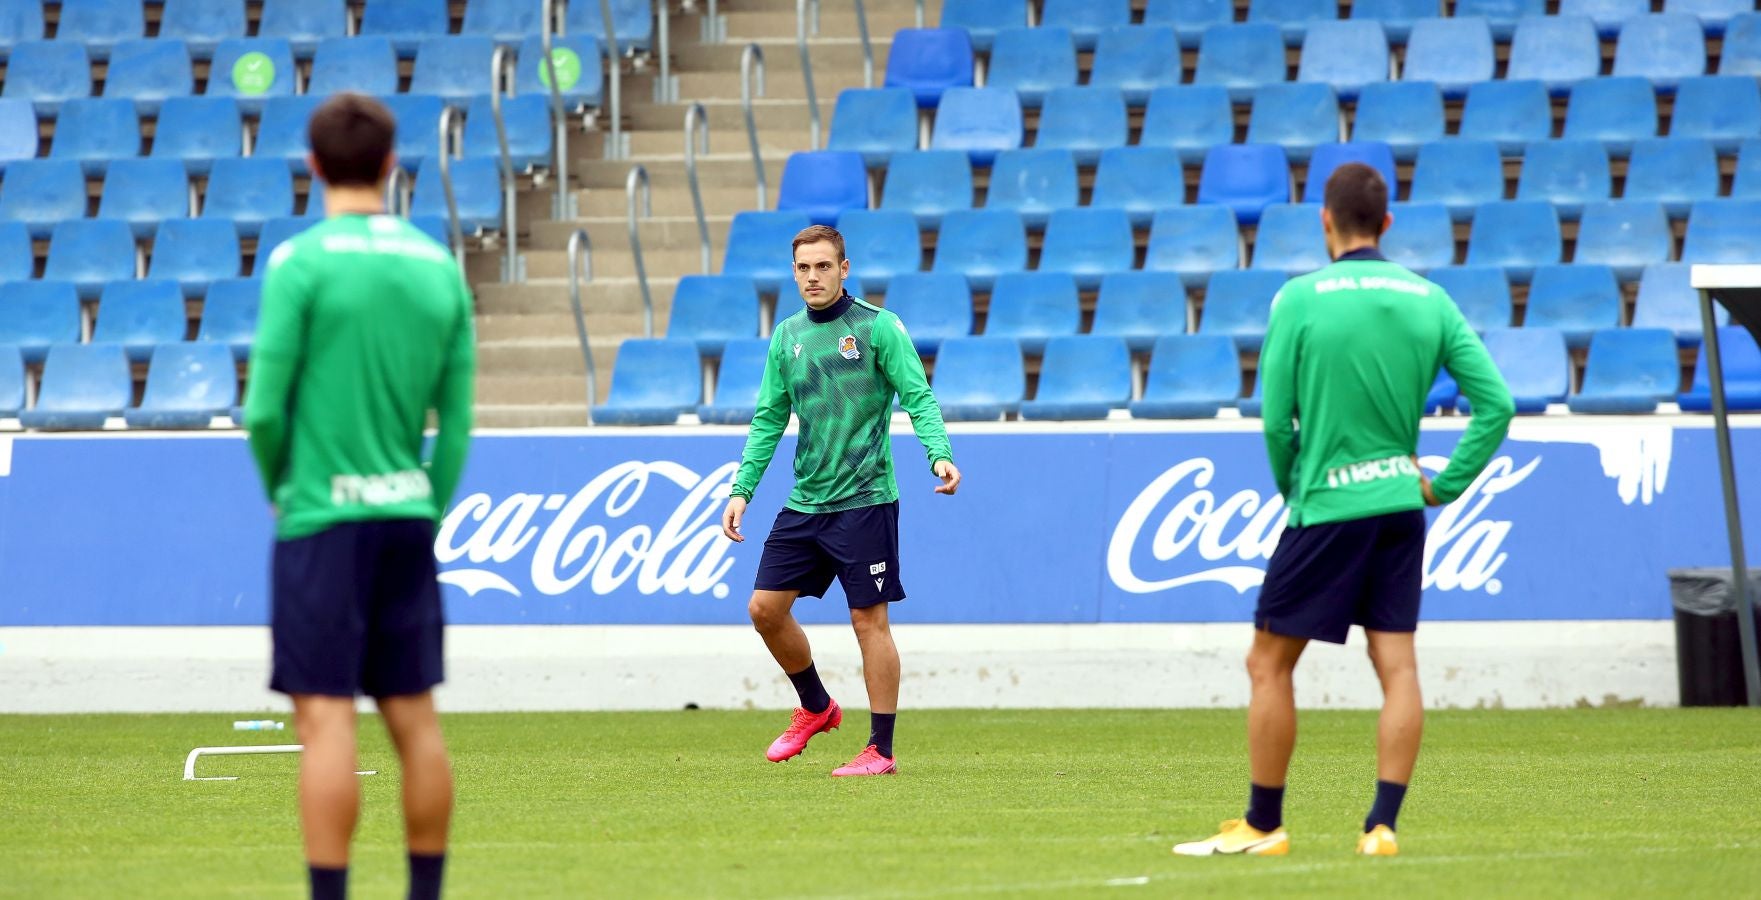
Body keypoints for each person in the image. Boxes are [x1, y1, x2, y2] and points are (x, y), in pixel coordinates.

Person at [1174, 163, 1515, 858]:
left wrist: (1293, 488)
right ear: (1385, 224)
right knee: (1396, 665)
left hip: (1327, 505)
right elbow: (1497, 404)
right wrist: (1443, 484)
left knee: (1268, 663)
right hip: (1398, 503)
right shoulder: (1428, 298)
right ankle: (1381, 827)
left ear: (1323, 221)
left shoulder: (1298, 298)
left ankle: (1263, 825)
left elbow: (1276, 422)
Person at [244, 92, 476, 899]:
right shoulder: (436, 266)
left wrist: (284, 489)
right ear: (390, 167)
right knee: (414, 719)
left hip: (322, 520)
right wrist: (426, 504)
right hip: (405, 518)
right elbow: (457, 426)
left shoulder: (299, 263)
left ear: (312, 168)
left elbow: (263, 410)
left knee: (327, 720)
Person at [720, 224, 961, 777]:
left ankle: (881, 749)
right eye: (803, 268)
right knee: (764, 609)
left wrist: (938, 453)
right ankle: (816, 707)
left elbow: (917, 394)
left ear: (844, 269)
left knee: (867, 622)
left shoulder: (878, 328)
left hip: (865, 496)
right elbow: (768, 419)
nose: (812, 277)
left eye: (823, 266)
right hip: (807, 499)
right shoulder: (787, 337)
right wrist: (742, 490)